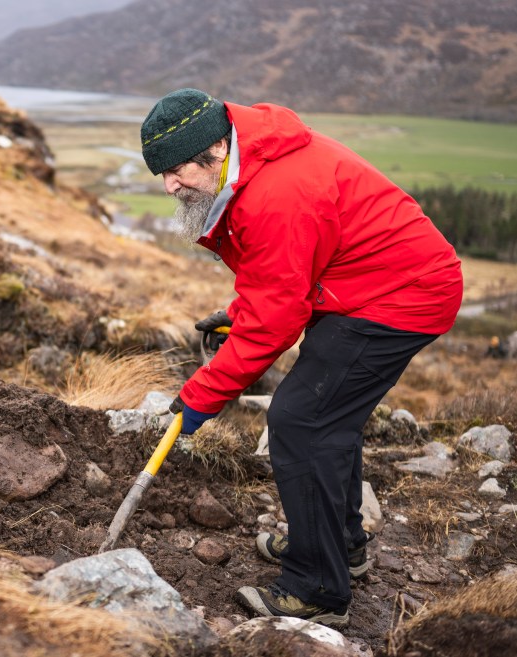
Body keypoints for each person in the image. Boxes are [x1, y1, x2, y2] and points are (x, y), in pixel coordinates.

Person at [141, 89, 463, 627]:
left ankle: (317, 585)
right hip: (362, 288)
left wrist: (200, 398)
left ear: (216, 149)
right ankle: (342, 545)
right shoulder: (252, 167)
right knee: (328, 417)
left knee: (302, 420)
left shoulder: (277, 193)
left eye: (175, 171)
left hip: (400, 296)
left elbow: (276, 318)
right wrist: (239, 313)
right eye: (163, 175)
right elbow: (276, 278)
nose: (170, 185)